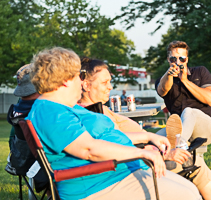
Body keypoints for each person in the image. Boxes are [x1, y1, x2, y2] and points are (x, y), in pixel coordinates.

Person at [27, 47, 201, 200]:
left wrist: (147, 136)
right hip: (99, 185)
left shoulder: (61, 108)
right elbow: (89, 150)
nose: (81, 81)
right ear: (65, 79)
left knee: (190, 190)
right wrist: (145, 154)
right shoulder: (52, 113)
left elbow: (99, 138)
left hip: (115, 174)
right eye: (78, 76)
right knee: (188, 195)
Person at [79, 57, 211, 200]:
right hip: (142, 161)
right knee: (193, 166)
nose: (110, 87)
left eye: (110, 81)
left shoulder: (101, 109)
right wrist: (162, 153)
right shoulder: (93, 115)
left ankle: (178, 144)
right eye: (105, 83)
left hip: (148, 151)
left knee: (194, 162)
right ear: (86, 85)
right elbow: (116, 144)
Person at [154, 40, 211, 199]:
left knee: (189, 112)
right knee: (155, 140)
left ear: (187, 60)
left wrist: (185, 80)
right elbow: (162, 91)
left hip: (203, 128)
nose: (177, 62)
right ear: (168, 60)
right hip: (178, 130)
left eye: (181, 59)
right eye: (173, 59)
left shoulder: (200, 72)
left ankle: (178, 150)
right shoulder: (164, 78)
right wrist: (170, 75)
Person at [6, 64, 49, 194]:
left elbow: (11, 140)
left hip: (19, 161)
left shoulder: (17, 109)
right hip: (41, 165)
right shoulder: (41, 109)